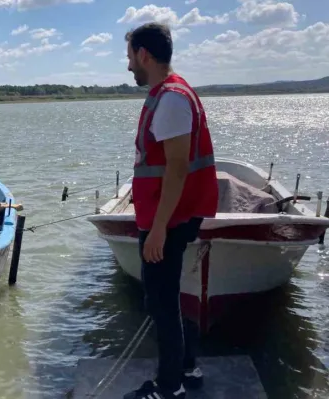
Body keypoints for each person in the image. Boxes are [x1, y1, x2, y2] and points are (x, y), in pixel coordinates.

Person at [123, 22, 219, 399]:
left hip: (170, 219)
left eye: (130, 57)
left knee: (160, 302)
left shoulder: (172, 99)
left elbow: (178, 167)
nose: (128, 66)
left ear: (144, 54)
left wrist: (159, 227)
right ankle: (188, 365)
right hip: (171, 214)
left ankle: (169, 386)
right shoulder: (170, 94)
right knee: (167, 295)